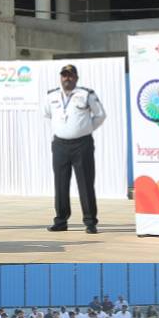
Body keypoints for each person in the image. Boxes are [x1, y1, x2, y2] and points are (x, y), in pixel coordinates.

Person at [42, 64, 107, 233]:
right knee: (60, 184)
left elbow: (100, 115)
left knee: (85, 183)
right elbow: (48, 114)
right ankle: (61, 220)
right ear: (60, 77)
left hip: (82, 145)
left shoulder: (86, 94)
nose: (67, 78)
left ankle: (90, 222)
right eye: (64, 75)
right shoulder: (51, 96)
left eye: (70, 75)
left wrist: (85, 129)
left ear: (76, 78)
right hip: (60, 145)